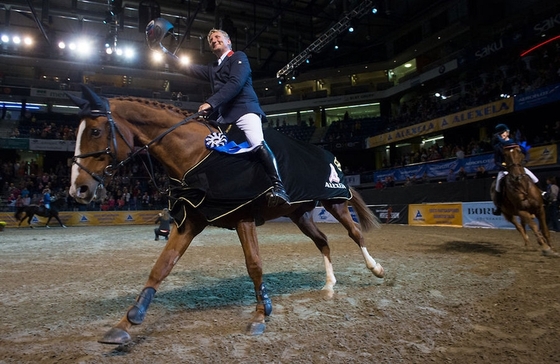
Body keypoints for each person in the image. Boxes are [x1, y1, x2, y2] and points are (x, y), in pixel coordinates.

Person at [146, 19, 289, 207]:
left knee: (256, 141)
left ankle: (279, 188)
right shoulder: (212, 68)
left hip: (244, 110)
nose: (214, 40)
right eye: (211, 39)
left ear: (228, 41)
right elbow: (186, 67)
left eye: (217, 37)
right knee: (207, 146)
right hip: (223, 115)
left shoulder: (239, 57)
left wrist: (210, 103)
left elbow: (235, 84)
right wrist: (162, 51)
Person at [492, 123, 539, 215]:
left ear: (507, 133)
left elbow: (526, 153)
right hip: (505, 170)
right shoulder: (498, 147)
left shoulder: (515, 143)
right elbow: (496, 160)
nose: (502, 134)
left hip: (518, 167)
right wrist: (502, 166)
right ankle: (499, 206)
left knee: (534, 178)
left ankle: (542, 194)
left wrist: (525, 161)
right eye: (500, 133)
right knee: (498, 185)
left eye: (503, 132)